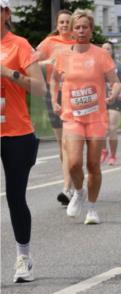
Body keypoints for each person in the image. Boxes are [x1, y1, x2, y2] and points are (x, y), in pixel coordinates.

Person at [51, 9, 120, 225]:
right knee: (73, 164)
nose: (81, 30)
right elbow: (54, 79)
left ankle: (91, 207)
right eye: (77, 27)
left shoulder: (101, 54)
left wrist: (114, 92)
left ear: (91, 30)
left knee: (92, 165)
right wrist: (54, 100)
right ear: (72, 30)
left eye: (85, 27)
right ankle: (79, 192)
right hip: (72, 116)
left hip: (96, 117)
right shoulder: (62, 55)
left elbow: (114, 80)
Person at [1, 0, 46, 282]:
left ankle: (24, 257)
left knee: (15, 197)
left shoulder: (20, 46)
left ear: (6, 12)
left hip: (16, 132)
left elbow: (41, 89)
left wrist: (8, 73)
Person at [34, 10, 75, 206]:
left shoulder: (77, 42)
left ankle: (67, 187)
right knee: (62, 144)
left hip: (75, 94)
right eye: (61, 22)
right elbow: (31, 60)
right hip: (54, 94)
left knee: (69, 142)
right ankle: (72, 181)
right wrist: (46, 62)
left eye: (68, 22)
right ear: (57, 24)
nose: (64, 25)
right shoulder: (49, 43)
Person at [101, 41, 121, 165]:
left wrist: (115, 86)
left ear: (112, 51)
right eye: (104, 49)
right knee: (101, 129)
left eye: (108, 48)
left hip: (116, 99)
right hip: (100, 100)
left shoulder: (118, 66)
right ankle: (104, 151)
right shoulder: (96, 65)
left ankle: (113, 155)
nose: (106, 51)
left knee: (112, 127)